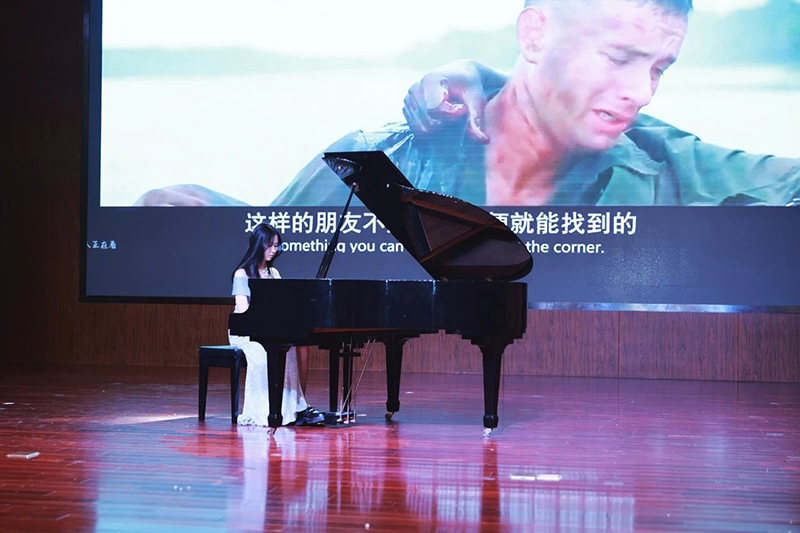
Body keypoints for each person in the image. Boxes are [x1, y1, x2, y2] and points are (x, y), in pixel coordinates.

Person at [273, 0, 800, 207]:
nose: (642, 92)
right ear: (535, 34)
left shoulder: (674, 170)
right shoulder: (376, 164)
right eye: (618, 57)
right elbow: (261, 260)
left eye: (659, 68)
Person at [230, 222, 324, 427]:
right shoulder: (242, 274)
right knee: (263, 353)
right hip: (245, 331)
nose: (274, 250)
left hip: (268, 328)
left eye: (276, 245)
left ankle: (292, 408)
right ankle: (266, 410)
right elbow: (243, 310)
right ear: (258, 244)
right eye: (270, 245)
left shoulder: (274, 273)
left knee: (287, 350)